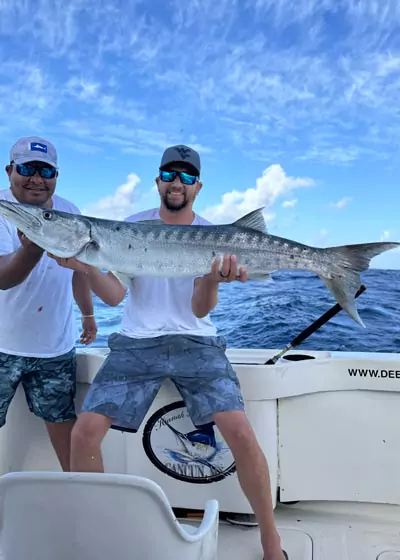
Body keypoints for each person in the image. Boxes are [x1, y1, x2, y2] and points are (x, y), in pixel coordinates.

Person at [51, 145, 286, 559]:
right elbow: (115, 296)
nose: (177, 183)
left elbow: (199, 309)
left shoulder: (217, 233)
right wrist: (86, 265)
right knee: (84, 432)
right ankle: (100, 538)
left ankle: (271, 539)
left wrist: (213, 279)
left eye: (187, 177)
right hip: (136, 343)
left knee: (241, 432)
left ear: (197, 187)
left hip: (197, 341)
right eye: (170, 174)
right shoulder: (128, 227)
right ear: (158, 181)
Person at [0, 136, 97, 472]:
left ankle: (79, 503)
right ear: (10, 170)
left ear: (57, 175)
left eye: (46, 171)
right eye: (27, 168)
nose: (36, 178)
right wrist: (33, 245)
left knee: (61, 424)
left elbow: (79, 270)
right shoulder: (2, 209)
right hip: (1, 347)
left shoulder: (69, 212)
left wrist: (88, 314)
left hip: (54, 348)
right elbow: (2, 277)